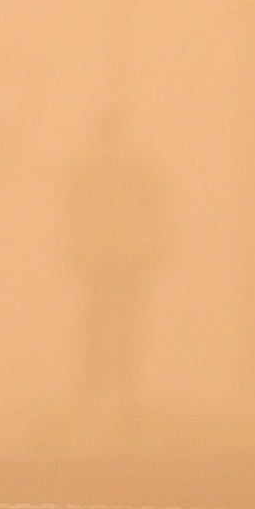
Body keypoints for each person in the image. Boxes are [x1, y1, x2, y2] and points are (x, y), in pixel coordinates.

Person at [63, 105, 173, 423]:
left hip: (99, 252)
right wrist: (160, 243)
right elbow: (157, 207)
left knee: (96, 317)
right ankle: (125, 381)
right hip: (129, 251)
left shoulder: (85, 166)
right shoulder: (138, 164)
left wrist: (73, 250)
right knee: (128, 316)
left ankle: (94, 382)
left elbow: (73, 213)